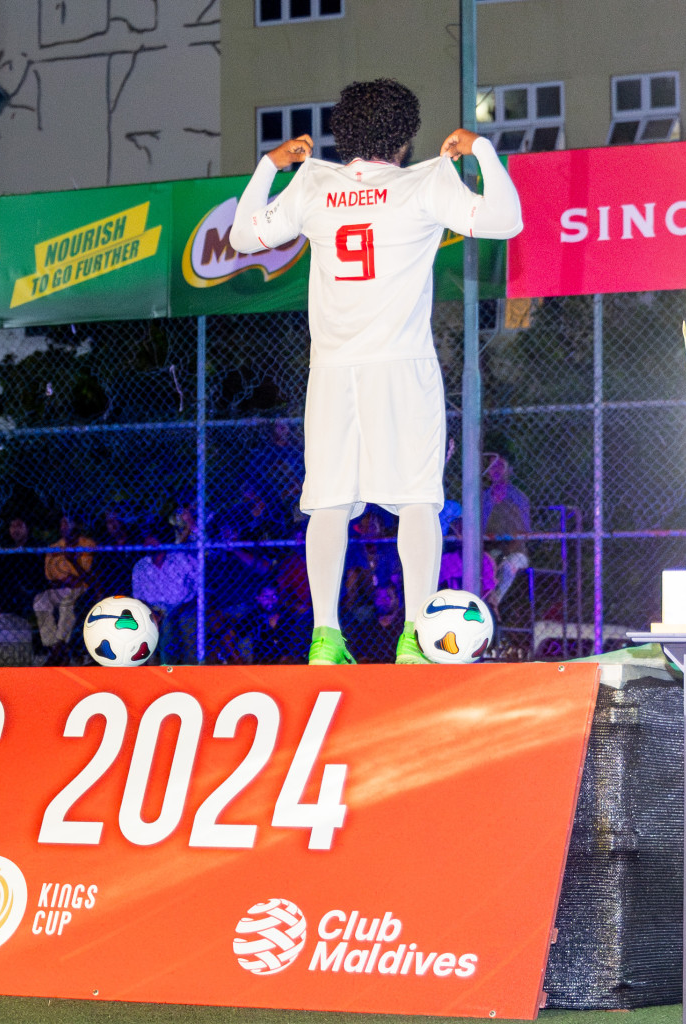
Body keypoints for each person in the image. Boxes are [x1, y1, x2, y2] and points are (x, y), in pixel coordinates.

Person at [229, 77, 523, 665]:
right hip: (401, 369)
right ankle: (415, 636)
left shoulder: (313, 182)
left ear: (342, 133)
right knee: (417, 502)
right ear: (407, 137)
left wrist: (268, 166)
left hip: (333, 371)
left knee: (328, 504)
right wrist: (482, 150)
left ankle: (325, 637)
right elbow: (506, 220)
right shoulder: (424, 182)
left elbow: (241, 235)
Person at [131, 528, 201, 665]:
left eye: (152, 538)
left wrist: (186, 606)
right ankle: (162, 671)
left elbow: (200, 583)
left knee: (178, 624)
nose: (148, 543)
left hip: (184, 608)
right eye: (146, 540)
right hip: (155, 611)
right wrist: (152, 613)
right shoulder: (140, 566)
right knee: (155, 625)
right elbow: (138, 598)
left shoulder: (180, 558)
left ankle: (189, 669)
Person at [33, 514, 96, 655]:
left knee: (67, 602)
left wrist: (73, 562)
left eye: (67, 523)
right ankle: (51, 645)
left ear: (76, 525)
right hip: (60, 588)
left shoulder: (87, 545)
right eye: (62, 523)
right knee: (40, 600)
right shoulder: (54, 547)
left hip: (82, 590)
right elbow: (49, 577)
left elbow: (86, 577)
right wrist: (64, 580)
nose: (64, 527)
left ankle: (62, 644)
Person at [482, 453, 531, 605]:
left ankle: (492, 603)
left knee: (508, 566)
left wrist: (505, 551)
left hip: (515, 551)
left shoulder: (519, 498)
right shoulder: (482, 498)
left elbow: (523, 534)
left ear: (509, 470)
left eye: (500, 466)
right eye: (492, 467)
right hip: (490, 549)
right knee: (483, 564)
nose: (495, 470)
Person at [0, 516, 45, 625]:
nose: (15, 530)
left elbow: (38, 574)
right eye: (12, 526)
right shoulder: (5, 547)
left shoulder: (37, 546)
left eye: (19, 526)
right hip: (7, 589)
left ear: (27, 528)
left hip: (29, 588)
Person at [348, 584, 407, 664]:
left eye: (388, 597)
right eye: (379, 597)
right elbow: (360, 658)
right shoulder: (366, 628)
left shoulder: (403, 627)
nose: (383, 601)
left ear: (397, 600)